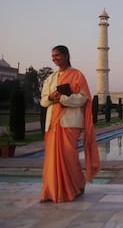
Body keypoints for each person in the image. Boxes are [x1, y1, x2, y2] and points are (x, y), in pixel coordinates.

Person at [40, 45, 100, 203]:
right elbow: (43, 101)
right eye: (53, 56)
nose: (55, 58)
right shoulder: (50, 79)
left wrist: (63, 98)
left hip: (69, 123)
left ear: (66, 55)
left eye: (58, 55)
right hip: (53, 124)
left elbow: (84, 98)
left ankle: (77, 185)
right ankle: (52, 191)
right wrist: (52, 98)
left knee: (69, 156)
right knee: (51, 159)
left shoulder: (77, 75)